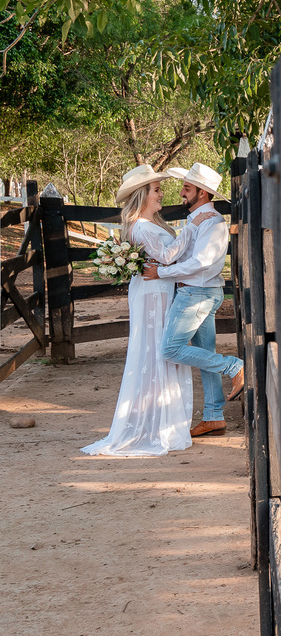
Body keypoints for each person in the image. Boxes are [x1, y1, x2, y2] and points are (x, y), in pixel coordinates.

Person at [81, 165, 216, 456]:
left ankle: (165, 420)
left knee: (164, 349)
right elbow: (167, 256)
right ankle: (157, 425)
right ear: (142, 195)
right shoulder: (141, 227)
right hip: (153, 293)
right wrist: (193, 224)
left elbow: (170, 256)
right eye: (156, 190)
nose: (162, 194)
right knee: (158, 349)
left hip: (160, 289)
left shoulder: (150, 224)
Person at [143, 162, 244, 437]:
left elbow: (201, 262)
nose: (181, 193)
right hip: (196, 292)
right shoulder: (196, 220)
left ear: (202, 192)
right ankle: (214, 415)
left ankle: (234, 366)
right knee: (204, 355)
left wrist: (163, 273)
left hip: (196, 294)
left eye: (187, 188)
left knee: (170, 349)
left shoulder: (212, 222)